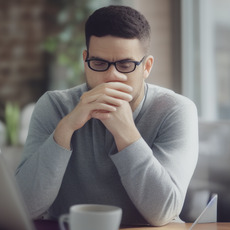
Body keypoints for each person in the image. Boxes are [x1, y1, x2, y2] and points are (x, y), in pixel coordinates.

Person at [16, 5, 198, 227]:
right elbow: (25, 207)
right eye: (99, 63)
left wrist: (126, 132)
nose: (112, 76)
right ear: (85, 61)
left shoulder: (176, 111)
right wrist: (65, 128)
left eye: (126, 65)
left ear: (146, 66)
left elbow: (162, 213)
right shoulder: (54, 105)